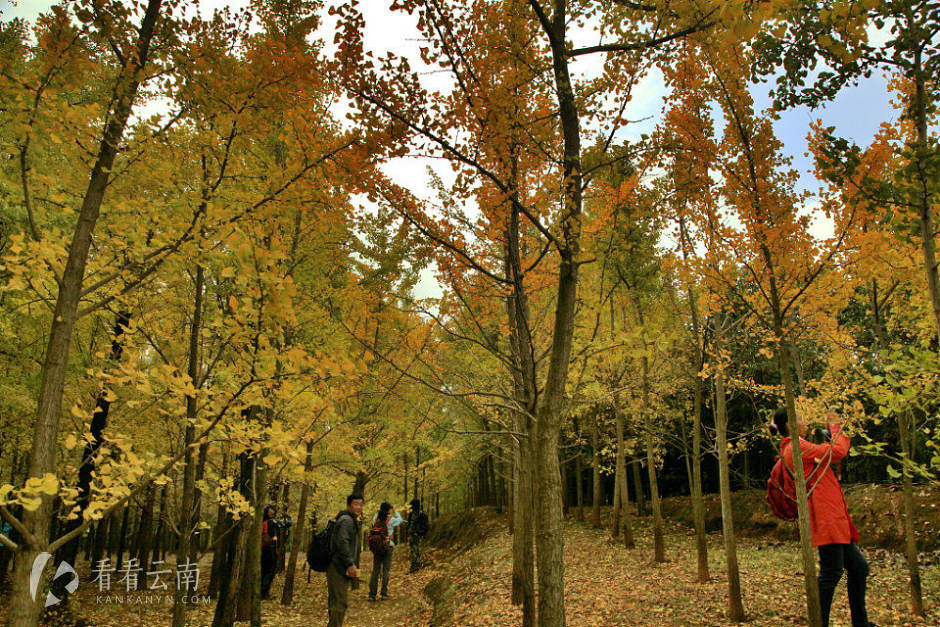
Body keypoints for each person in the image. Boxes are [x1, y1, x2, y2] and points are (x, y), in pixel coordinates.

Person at [771, 406, 875, 627]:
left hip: (833, 517)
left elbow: (828, 456)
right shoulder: (796, 447)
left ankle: (861, 623)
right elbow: (837, 452)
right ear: (790, 425)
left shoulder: (799, 448)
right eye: (801, 419)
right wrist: (835, 426)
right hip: (824, 518)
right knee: (831, 572)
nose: (806, 422)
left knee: (858, 568)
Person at [327, 493, 363, 627]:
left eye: (360, 504)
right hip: (338, 567)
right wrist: (350, 564)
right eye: (355, 504)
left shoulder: (348, 519)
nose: (359, 507)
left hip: (338, 566)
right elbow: (342, 542)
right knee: (340, 603)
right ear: (349, 505)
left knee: (335, 602)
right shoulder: (347, 520)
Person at [368, 502, 403, 601]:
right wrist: (396, 512)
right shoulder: (391, 520)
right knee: (386, 570)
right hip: (388, 546)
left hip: (377, 546)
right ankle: (383, 594)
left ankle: (372, 595)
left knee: (376, 570)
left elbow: (373, 524)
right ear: (389, 510)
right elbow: (400, 520)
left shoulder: (376, 517)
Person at [260, 504, 279, 600]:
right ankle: (263, 593)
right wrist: (273, 539)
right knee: (268, 571)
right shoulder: (268, 522)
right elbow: (287, 523)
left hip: (270, 549)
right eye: (271, 510)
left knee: (267, 571)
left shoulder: (269, 521)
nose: (273, 512)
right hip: (267, 550)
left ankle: (264, 592)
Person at [406, 498, 429, 573]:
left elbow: (409, 525)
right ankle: (418, 564)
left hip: (414, 535)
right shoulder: (423, 513)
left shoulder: (412, 514)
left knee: (414, 550)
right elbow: (427, 526)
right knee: (417, 550)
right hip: (420, 534)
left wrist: (409, 534)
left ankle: (415, 567)